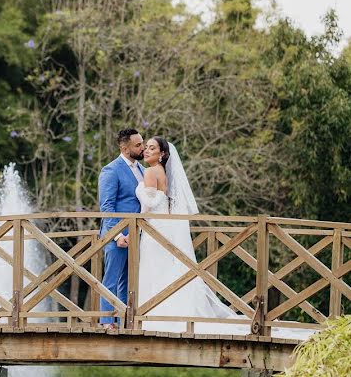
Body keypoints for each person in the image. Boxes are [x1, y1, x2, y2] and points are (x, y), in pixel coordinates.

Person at [134, 136, 314, 340]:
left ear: (163, 154)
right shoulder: (164, 172)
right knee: (167, 269)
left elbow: (149, 203)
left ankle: (152, 315)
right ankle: (162, 314)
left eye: (151, 148)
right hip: (165, 226)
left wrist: (139, 199)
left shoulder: (149, 171)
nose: (146, 151)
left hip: (154, 227)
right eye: (146, 148)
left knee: (155, 268)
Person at [98, 128, 145, 328]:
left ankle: (124, 321)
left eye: (142, 143)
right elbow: (106, 207)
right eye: (138, 145)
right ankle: (107, 321)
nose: (142, 147)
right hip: (117, 235)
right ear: (125, 149)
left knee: (128, 281)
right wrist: (117, 235)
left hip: (137, 234)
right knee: (111, 278)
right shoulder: (111, 170)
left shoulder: (142, 169)